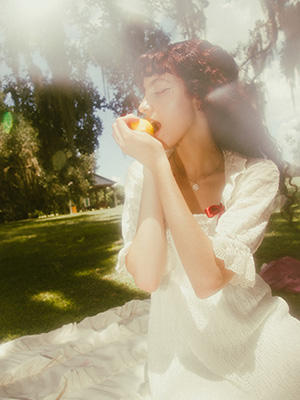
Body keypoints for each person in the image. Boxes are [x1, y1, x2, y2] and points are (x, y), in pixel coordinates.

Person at [112, 39, 300, 399]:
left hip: (257, 337)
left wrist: (157, 167)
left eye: (159, 90)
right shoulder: (144, 174)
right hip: (179, 354)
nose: (143, 106)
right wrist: (155, 169)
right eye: (143, 94)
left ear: (198, 97)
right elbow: (148, 277)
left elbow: (208, 279)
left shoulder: (254, 174)